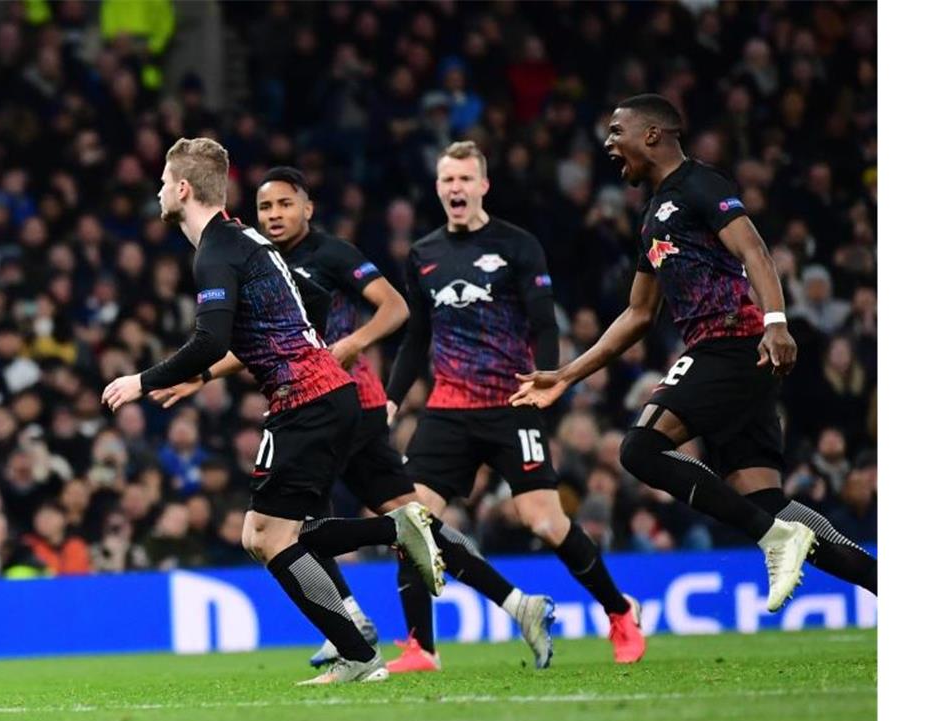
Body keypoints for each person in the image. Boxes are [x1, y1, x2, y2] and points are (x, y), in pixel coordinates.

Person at [153, 166, 557, 674]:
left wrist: (351, 344)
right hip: (329, 402)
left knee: (284, 528)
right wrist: (207, 375)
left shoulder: (329, 253)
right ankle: (517, 603)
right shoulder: (258, 254)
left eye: (284, 205)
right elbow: (272, 336)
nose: (275, 215)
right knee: (383, 520)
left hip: (342, 405)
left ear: (307, 207)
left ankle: (351, 624)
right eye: (265, 207)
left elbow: (395, 309)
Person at [100, 137, 445, 685]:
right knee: (276, 534)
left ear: (183, 189)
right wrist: (229, 367)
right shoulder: (248, 242)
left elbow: (210, 338)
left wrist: (141, 381)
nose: (160, 190)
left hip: (305, 400)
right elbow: (310, 304)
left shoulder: (216, 252)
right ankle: (372, 603)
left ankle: (375, 598)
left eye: (165, 182)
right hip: (326, 394)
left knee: (266, 537)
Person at [511, 94, 876, 601]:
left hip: (732, 342)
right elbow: (639, 314)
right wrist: (567, 374)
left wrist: (776, 322)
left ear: (653, 135)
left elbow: (754, 249)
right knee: (768, 502)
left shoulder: (701, 184)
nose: (609, 144)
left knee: (640, 449)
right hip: (732, 355)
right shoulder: (652, 214)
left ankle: (776, 540)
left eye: (617, 132)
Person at [385, 140, 646, 664]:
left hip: (511, 402)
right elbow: (416, 338)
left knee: (545, 523)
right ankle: (421, 646)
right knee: (409, 522)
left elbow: (543, 321)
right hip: (449, 407)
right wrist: (392, 401)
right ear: (438, 188)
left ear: (483, 185)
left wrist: (549, 377)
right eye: (447, 180)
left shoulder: (517, 245)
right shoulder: (424, 254)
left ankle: (619, 612)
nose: (455, 188)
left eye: (465, 179)